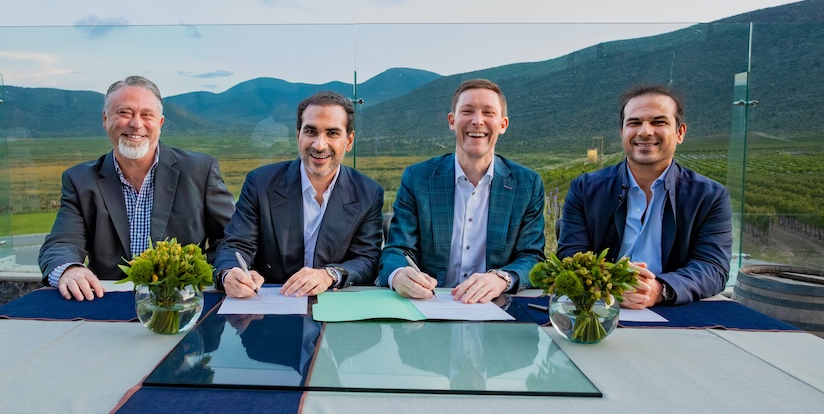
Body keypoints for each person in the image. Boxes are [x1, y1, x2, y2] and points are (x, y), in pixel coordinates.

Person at [39, 75, 235, 301]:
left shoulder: (200, 171)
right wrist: (69, 269)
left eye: (146, 115)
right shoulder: (80, 180)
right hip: (108, 301)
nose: (136, 124)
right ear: (105, 119)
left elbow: (231, 238)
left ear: (160, 123)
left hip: (183, 302)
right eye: (125, 113)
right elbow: (62, 242)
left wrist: (224, 272)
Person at [557, 84, 732, 308]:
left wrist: (660, 289)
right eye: (634, 123)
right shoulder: (585, 189)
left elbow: (713, 267)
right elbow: (571, 255)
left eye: (658, 122)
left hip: (672, 308)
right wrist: (613, 280)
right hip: (599, 306)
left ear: (680, 133)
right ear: (622, 132)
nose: (645, 131)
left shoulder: (709, 196)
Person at [378, 78, 545, 304]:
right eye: (467, 111)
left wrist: (501, 279)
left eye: (488, 113)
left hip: (496, 308)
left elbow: (532, 257)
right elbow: (397, 250)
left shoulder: (527, 184)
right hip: (427, 307)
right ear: (452, 120)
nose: (477, 121)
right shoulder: (418, 179)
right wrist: (398, 275)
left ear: (503, 124)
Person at [214, 90, 384, 297]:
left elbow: (367, 259)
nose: (319, 145)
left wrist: (329, 275)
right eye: (311, 132)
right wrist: (229, 273)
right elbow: (236, 245)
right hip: (270, 302)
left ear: (349, 141)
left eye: (332, 133)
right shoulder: (260, 183)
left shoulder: (369, 193)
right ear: (298, 136)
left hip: (333, 301)